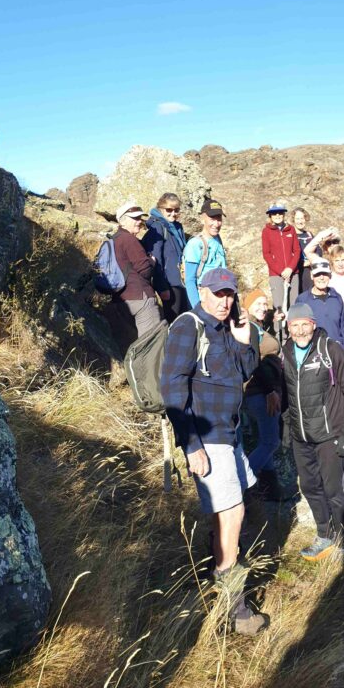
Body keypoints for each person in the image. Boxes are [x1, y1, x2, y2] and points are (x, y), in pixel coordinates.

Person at [159, 267, 266, 634]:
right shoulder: (189, 326)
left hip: (230, 433)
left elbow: (246, 370)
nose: (225, 301)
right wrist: (191, 445)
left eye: (230, 294)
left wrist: (244, 338)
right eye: (218, 293)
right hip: (208, 436)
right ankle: (233, 604)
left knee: (230, 510)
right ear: (202, 292)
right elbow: (172, 388)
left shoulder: (224, 329)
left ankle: (217, 570)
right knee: (232, 512)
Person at [272, 307, 344, 563]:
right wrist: (288, 427)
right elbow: (287, 394)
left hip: (329, 434)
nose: (299, 331)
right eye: (294, 326)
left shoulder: (330, 349)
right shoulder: (286, 352)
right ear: (288, 327)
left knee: (333, 489)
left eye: (304, 325)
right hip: (302, 436)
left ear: (313, 323)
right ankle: (324, 534)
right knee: (309, 486)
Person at [240, 292, 290, 502]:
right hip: (260, 392)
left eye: (265, 303)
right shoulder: (250, 328)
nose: (263, 306)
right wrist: (270, 389)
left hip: (261, 391)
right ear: (247, 306)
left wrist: (271, 318)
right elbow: (254, 362)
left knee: (265, 439)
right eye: (258, 303)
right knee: (271, 442)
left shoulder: (256, 327)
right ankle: (240, 485)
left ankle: (271, 490)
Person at [111, 202, 165, 338]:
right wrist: (152, 262)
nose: (139, 221)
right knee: (151, 344)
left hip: (121, 298)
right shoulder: (129, 240)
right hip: (141, 298)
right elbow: (145, 270)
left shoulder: (114, 239)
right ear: (122, 221)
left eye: (140, 218)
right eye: (134, 218)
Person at [179, 201, 230, 309]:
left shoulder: (217, 239)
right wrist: (198, 309)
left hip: (221, 299)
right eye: (212, 219)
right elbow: (190, 280)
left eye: (219, 219)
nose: (216, 224)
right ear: (203, 219)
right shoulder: (195, 244)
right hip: (205, 302)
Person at [298, 262, 344, 352]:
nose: (321, 277)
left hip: (338, 352)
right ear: (312, 276)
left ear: (330, 275)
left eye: (325, 274)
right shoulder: (302, 300)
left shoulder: (337, 297)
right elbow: (298, 332)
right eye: (317, 274)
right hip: (313, 354)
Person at [148, 192, 189, 315]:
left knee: (185, 316)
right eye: (169, 210)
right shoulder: (158, 227)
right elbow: (156, 260)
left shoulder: (177, 227)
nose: (173, 213)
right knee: (174, 319)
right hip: (169, 283)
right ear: (160, 209)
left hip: (182, 280)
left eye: (176, 210)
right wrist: (162, 287)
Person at [261, 203, 302, 310]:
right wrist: (281, 271)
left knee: (294, 306)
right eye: (274, 213)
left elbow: (297, 250)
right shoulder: (266, 231)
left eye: (280, 213)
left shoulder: (291, 229)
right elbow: (266, 254)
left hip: (293, 274)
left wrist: (290, 269)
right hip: (276, 275)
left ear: (284, 214)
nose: (277, 215)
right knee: (279, 307)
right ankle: (278, 327)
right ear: (270, 216)